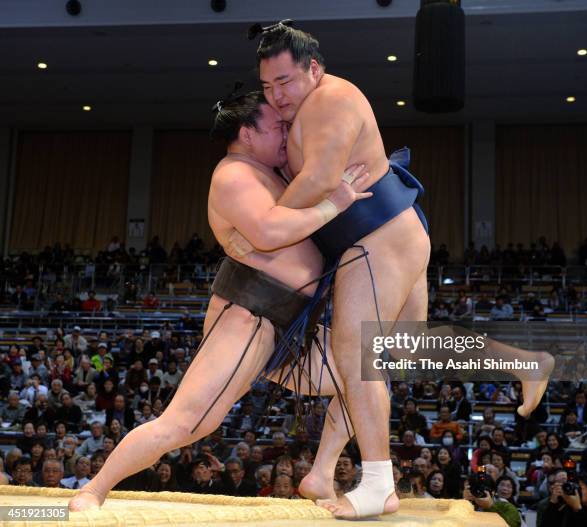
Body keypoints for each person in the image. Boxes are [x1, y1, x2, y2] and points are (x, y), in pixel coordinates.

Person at [246, 21, 554, 518]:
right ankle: (523, 363)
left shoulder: (331, 98)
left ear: (314, 70)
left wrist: (261, 225)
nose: (277, 95)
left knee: (356, 351)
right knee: (401, 350)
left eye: (285, 81)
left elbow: (322, 178)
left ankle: (376, 483)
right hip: (394, 233)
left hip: (378, 236)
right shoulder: (307, 111)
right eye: (267, 86)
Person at [67, 90, 366, 511]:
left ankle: (321, 474)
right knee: (186, 424)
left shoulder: (275, 173)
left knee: (369, 378)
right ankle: (93, 490)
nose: (286, 133)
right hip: (249, 316)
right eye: (277, 126)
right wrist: (334, 204)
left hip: (293, 323)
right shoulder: (233, 175)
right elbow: (267, 233)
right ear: (246, 132)